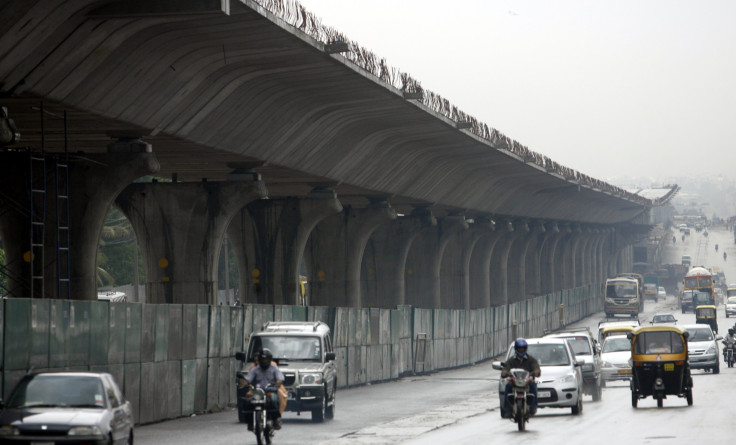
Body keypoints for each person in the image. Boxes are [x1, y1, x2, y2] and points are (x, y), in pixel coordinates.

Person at [242, 349, 285, 430]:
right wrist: (245, 382)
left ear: (270, 359)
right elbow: (249, 379)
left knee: (274, 399)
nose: (264, 361)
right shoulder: (254, 369)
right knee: (247, 401)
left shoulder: (274, 368)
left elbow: (280, 379)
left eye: (266, 359)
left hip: (270, 391)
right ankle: (250, 422)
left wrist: (277, 383)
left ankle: (276, 419)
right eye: (262, 359)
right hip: (257, 392)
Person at [501, 338, 541, 418]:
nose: (521, 350)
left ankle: (533, 407)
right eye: (519, 349)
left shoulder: (531, 360)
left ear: (525, 349)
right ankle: (508, 409)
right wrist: (505, 372)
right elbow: (506, 368)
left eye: (523, 349)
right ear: (516, 349)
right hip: (515, 381)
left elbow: (536, 368)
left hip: (527, 381)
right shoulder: (511, 360)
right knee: (508, 386)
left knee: (533, 386)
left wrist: (536, 372)